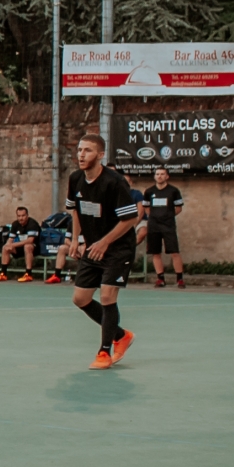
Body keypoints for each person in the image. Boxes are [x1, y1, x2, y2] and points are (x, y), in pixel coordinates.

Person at [65, 134, 141, 369]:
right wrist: (76, 239)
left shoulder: (115, 182)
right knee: (80, 298)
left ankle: (104, 352)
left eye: (87, 150)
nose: (81, 154)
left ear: (100, 155)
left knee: (107, 296)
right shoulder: (75, 179)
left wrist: (105, 242)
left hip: (118, 248)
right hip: (93, 247)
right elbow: (75, 210)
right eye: (79, 150)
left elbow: (131, 218)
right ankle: (121, 335)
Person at [143, 167, 185, 288]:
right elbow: (146, 208)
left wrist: (168, 216)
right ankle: (160, 279)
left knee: (174, 252)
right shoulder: (149, 191)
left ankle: (180, 279)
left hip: (168, 225)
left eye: (162, 174)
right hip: (153, 226)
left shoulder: (173, 191)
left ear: (167, 176)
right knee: (155, 253)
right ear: (154, 176)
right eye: (157, 174)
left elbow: (178, 208)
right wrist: (155, 217)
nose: (159, 176)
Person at [0, 206, 42, 282]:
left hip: (35, 248)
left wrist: (13, 245)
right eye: (19, 216)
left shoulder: (32, 224)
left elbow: (30, 240)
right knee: (5, 248)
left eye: (23, 216)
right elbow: (11, 239)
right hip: (20, 247)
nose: (21, 218)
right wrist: (8, 245)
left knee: (27, 246)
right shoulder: (15, 224)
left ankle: (28, 274)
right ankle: (3, 274)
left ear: (27, 215)